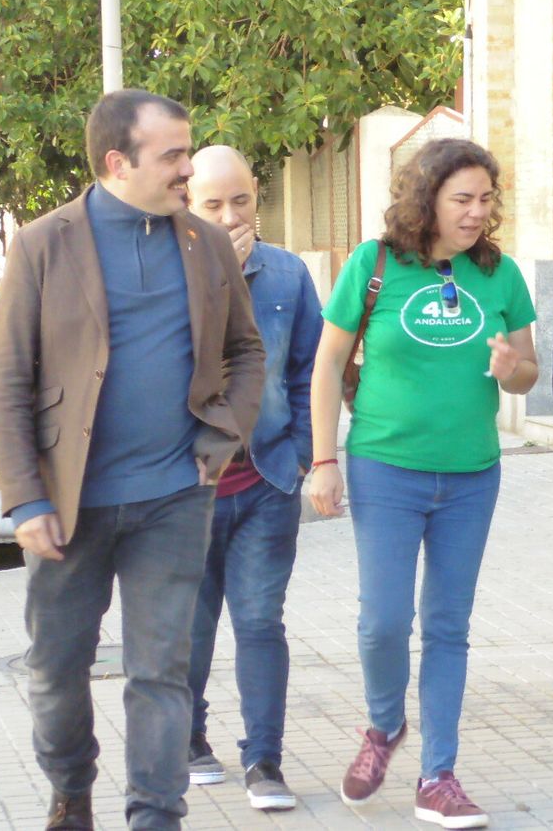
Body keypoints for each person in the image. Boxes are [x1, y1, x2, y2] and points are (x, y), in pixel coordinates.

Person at [0, 89, 265, 830]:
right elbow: (7, 377)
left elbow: (246, 352)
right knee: (55, 671)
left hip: (175, 495)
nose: (188, 169)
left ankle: (155, 813)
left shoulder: (204, 246)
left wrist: (221, 438)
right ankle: (72, 788)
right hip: (67, 505)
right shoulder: (44, 244)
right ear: (118, 162)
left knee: (160, 674)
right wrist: (25, 499)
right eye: (173, 155)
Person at [306, 137, 538, 829]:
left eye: (485, 199)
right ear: (426, 198)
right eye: (461, 199)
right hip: (385, 467)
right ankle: (383, 729)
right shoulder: (374, 265)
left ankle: (438, 775)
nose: (476, 213)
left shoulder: (500, 275)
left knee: (447, 625)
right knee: (383, 622)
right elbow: (325, 368)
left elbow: (529, 370)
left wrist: (509, 368)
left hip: (471, 475)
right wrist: (324, 461)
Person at [182, 145, 322, 811]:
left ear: (257, 195)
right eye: (212, 204)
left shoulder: (290, 275)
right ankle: (188, 741)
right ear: (187, 201)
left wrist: (302, 454)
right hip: (188, 487)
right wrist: (219, 281)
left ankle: (264, 760)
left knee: (261, 621)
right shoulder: (166, 272)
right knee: (189, 625)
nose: (230, 216)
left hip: (265, 480)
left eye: (241, 200)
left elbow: (308, 372)